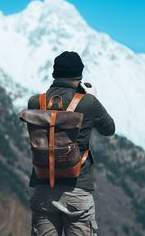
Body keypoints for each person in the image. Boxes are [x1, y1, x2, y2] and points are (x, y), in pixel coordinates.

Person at [27, 51, 115, 236]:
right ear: (79, 75)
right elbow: (109, 129)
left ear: (54, 73)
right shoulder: (88, 103)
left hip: (42, 188)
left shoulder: (35, 102)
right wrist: (92, 97)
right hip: (77, 187)